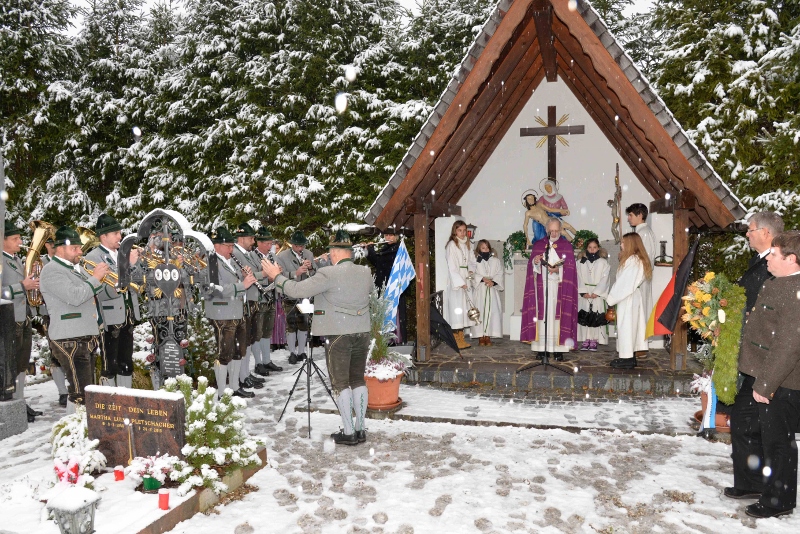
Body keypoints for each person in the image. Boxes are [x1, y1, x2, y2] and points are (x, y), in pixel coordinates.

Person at [262, 230, 373, 446]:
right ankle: (360, 428)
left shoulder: (328, 274)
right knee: (358, 380)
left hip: (339, 334)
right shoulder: (364, 272)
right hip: (362, 332)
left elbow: (295, 290)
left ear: (334, 253)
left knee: (340, 383)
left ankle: (348, 432)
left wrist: (276, 276)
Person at [729, 231, 800, 519]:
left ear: (792, 260)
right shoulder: (776, 281)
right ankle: (752, 482)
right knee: (744, 426)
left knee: (778, 441)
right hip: (755, 372)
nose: (768, 258)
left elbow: (787, 345)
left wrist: (767, 385)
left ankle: (778, 500)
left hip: (779, 380)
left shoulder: (795, 291)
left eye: (774, 254)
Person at [726, 211, 784, 503]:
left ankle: (768, 488)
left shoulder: (778, 265)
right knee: (745, 417)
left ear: (766, 232)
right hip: (754, 351)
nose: (747, 234)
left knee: (759, 421)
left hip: (766, 354)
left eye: (750, 230)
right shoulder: (760, 262)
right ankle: (750, 481)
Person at [39, 226, 109, 413]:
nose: (80, 252)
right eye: (75, 248)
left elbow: (93, 290)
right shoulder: (52, 270)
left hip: (83, 336)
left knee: (86, 391)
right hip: (69, 339)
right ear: (60, 249)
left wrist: (101, 279)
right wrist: (95, 278)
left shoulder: (75, 269)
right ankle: (74, 434)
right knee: (80, 394)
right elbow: (75, 296)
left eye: (80, 247)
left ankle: (79, 431)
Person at [83, 214, 141, 388]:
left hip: (128, 314)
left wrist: (137, 264)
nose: (120, 237)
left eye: (119, 233)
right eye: (116, 233)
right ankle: (110, 401)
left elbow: (136, 282)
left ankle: (127, 398)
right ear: (104, 236)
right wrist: (128, 265)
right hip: (109, 316)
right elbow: (102, 291)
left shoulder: (123, 253)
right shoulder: (93, 257)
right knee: (110, 363)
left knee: (126, 361)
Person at [203, 227, 256, 399]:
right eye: (228, 246)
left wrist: (242, 277)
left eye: (232, 246)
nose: (231, 250)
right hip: (222, 314)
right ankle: (221, 392)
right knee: (224, 354)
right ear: (217, 245)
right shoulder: (210, 262)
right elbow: (213, 290)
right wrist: (242, 285)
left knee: (237, 351)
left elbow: (233, 283)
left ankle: (234, 387)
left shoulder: (229, 261)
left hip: (236, 311)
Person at [520, 218, 579, 361]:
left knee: (558, 316)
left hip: (559, 287)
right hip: (542, 288)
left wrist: (559, 268)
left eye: (556, 231)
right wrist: (535, 262)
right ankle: (542, 349)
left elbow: (571, 269)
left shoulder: (566, 246)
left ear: (560, 230)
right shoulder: (539, 245)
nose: (553, 233)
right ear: (547, 230)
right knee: (543, 316)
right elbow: (531, 268)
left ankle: (558, 350)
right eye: (551, 231)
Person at [2, 220, 40, 421]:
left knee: (22, 363)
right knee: (12, 364)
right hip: (8, 321)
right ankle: (12, 404)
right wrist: (21, 286)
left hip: (23, 317)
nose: (20, 241)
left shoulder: (16, 259)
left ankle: (19, 401)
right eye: (15, 238)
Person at [275, 231, 328, 363]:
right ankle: (292, 352)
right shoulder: (281, 256)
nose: (300, 249)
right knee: (291, 323)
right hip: (290, 294)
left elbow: (316, 273)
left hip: (305, 294)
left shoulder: (308, 254)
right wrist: (295, 273)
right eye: (298, 246)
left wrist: (310, 268)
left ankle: (302, 352)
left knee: (304, 323)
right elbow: (278, 276)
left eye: (302, 246)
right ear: (292, 244)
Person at [605, 232, 651, 369]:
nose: (621, 245)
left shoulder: (634, 261)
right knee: (630, 327)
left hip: (628, 297)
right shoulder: (634, 259)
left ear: (631, 243)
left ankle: (627, 358)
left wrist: (610, 298)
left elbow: (624, 283)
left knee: (627, 327)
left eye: (624, 242)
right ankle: (628, 357)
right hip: (630, 297)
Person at [232, 223, 267, 390]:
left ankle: (246, 373)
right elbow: (245, 275)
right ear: (242, 238)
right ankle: (242, 376)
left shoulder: (247, 253)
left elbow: (253, 272)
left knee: (250, 339)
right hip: (245, 299)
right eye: (251, 238)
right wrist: (265, 274)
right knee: (244, 341)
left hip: (252, 298)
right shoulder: (236, 253)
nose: (253, 241)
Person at [365, 227, 406, 343]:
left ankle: (394, 339)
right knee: (384, 313)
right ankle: (386, 340)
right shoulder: (386, 248)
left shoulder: (397, 249)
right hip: (384, 287)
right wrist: (368, 251)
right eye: (386, 235)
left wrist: (371, 250)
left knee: (392, 314)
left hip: (392, 288)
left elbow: (380, 262)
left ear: (396, 236)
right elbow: (378, 264)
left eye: (391, 235)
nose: (388, 237)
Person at [251, 226, 283, 374]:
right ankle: (258, 363)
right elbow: (252, 275)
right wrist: (267, 276)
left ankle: (267, 360)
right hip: (258, 297)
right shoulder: (252, 256)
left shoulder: (272, 256)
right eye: (267, 243)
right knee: (257, 332)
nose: (269, 246)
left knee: (267, 331)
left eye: (270, 243)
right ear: (258, 242)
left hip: (271, 296)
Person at [625, 203, 656, 350]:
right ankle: (636, 344)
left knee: (641, 312)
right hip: (636, 280)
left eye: (631, 215)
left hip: (640, 281)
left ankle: (640, 346)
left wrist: (635, 280)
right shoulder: (639, 233)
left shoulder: (644, 234)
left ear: (640, 215)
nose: (628, 218)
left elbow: (646, 260)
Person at [444, 220, 476, 350]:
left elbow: (473, 261)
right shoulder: (451, 245)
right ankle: (456, 339)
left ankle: (461, 337)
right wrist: (460, 282)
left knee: (464, 309)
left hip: (466, 278)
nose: (462, 233)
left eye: (464, 230)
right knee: (457, 310)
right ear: (454, 231)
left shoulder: (468, 245)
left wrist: (470, 270)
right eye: (459, 230)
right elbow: (452, 266)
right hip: (456, 281)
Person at [577, 238, 611, 351]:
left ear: (598, 248)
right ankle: (586, 339)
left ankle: (595, 340)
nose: (592, 250)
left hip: (596, 294)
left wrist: (597, 292)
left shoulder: (603, 262)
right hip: (585, 293)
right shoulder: (580, 262)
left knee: (596, 316)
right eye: (590, 247)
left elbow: (605, 278)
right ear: (586, 248)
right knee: (585, 316)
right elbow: (577, 276)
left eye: (594, 247)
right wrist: (583, 291)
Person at [470, 240, 503, 346]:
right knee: (481, 312)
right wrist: (482, 278)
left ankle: (488, 336)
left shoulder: (495, 261)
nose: (485, 250)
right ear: (479, 249)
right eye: (483, 248)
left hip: (491, 289)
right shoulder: (475, 261)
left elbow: (499, 273)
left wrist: (493, 282)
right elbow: (471, 274)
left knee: (492, 312)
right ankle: (480, 336)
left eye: (487, 248)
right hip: (480, 290)